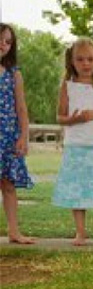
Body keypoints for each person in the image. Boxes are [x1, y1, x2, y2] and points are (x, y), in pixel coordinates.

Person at [52, 38, 93, 246]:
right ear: (72, 61)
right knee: (77, 191)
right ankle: (80, 233)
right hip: (76, 146)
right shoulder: (68, 86)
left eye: (90, 59)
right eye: (80, 59)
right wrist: (75, 119)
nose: (86, 64)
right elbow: (60, 117)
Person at [0, 23, 34, 244]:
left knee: (8, 185)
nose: (3, 45)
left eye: (8, 41)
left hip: (8, 135)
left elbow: (21, 108)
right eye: (0, 39)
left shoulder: (14, 74)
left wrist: (24, 136)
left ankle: (14, 231)